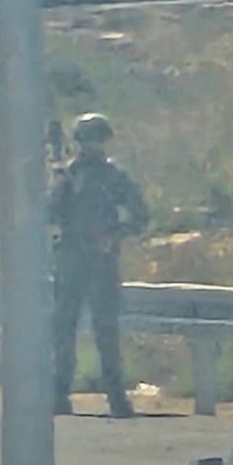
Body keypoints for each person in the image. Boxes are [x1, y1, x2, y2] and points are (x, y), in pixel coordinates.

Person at [49, 113, 149, 419]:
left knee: (106, 333)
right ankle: (59, 394)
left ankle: (116, 398)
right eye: (87, 140)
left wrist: (114, 235)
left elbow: (141, 216)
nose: (92, 146)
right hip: (71, 263)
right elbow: (48, 214)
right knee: (63, 332)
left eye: (97, 140)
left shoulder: (114, 178)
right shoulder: (66, 176)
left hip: (101, 263)